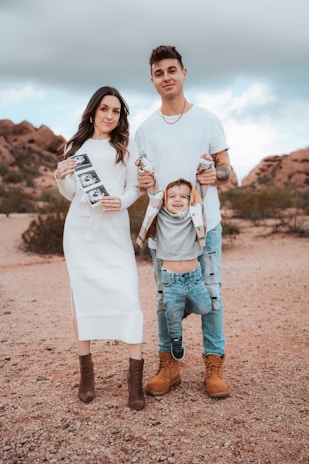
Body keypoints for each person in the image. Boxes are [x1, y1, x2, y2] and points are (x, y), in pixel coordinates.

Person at [135, 45, 231, 398]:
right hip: (165, 231)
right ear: (152, 80)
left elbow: (225, 169)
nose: (166, 78)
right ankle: (169, 365)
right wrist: (143, 182)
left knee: (212, 296)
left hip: (206, 226)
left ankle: (214, 366)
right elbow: (142, 176)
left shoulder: (208, 119)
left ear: (184, 72)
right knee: (165, 299)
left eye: (171, 70)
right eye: (159, 73)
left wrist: (215, 175)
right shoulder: (145, 129)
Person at [55, 86, 145, 410]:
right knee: (81, 299)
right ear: (93, 111)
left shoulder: (125, 146)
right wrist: (60, 176)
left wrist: (121, 201)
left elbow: (135, 188)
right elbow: (70, 193)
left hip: (114, 230)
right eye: (104, 109)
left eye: (116, 111)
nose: (109, 115)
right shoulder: (74, 146)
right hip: (80, 232)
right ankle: (86, 375)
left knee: (129, 296)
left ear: (120, 117)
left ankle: (135, 382)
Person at [137, 177, 212, 361]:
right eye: (172, 196)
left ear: (189, 200)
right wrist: (146, 169)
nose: (177, 200)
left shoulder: (192, 215)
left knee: (205, 307)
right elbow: (154, 193)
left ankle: (182, 309)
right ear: (164, 200)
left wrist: (205, 164)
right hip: (169, 279)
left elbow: (200, 193)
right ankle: (177, 340)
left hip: (194, 276)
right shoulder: (160, 215)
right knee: (171, 317)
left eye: (183, 197)